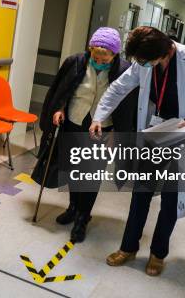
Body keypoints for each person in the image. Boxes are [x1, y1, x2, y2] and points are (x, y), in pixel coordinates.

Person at [89, 26, 185, 276]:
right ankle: (128, 247)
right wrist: (99, 116)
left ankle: (158, 254)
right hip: (155, 133)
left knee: (171, 199)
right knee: (140, 193)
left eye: (146, 62)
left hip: (183, 135)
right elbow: (119, 88)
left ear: (165, 52)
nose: (142, 66)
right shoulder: (144, 60)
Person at [32, 27, 138, 243]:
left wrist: (118, 134)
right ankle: (72, 207)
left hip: (103, 128)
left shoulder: (125, 70)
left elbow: (128, 106)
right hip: (74, 122)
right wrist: (59, 109)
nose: (99, 59)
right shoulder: (76, 62)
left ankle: (82, 217)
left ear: (115, 54)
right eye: (95, 54)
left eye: (104, 55)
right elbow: (61, 90)